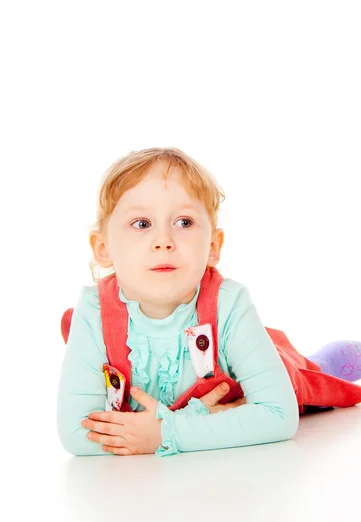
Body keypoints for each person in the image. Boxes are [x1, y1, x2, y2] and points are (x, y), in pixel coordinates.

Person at [57, 147, 361, 457]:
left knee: (313, 375)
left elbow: (279, 415)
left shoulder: (229, 303)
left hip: (261, 369)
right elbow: (75, 433)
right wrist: (194, 422)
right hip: (206, 391)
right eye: (141, 224)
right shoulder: (93, 312)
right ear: (103, 247)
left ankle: (341, 356)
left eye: (184, 223)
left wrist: (165, 432)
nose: (163, 240)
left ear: (213, 246)